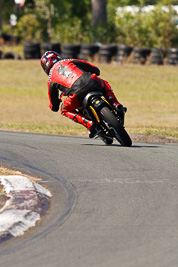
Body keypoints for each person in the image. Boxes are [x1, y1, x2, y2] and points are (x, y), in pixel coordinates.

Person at [41, 51, 125, 138]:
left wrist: (56, 102)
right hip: (92, 81)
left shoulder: (50, 79)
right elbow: (95, 70)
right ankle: (116, 104)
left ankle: (88, 123)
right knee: (104, 83)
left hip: (76, 93)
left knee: (64, 110)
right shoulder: (69, 61)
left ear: (45, 67)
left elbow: (54, 107)